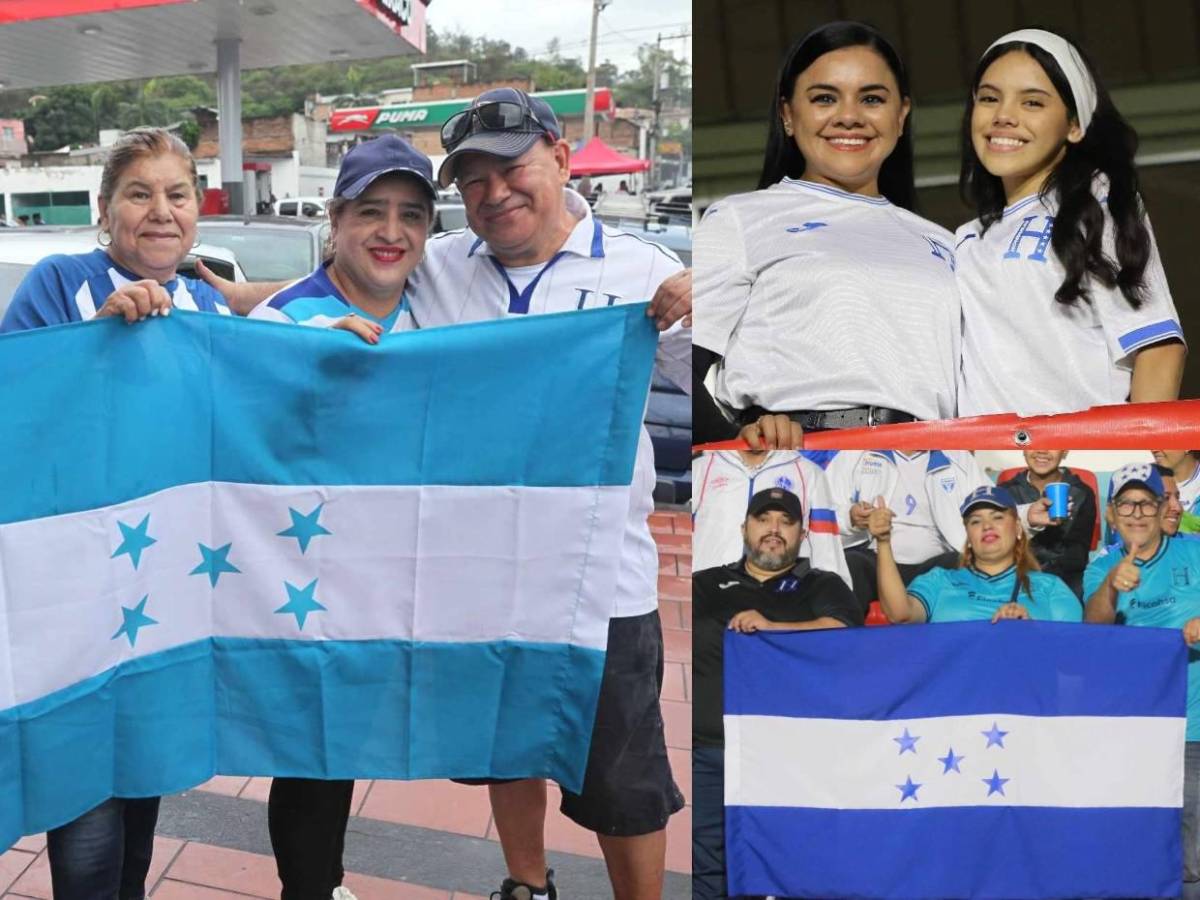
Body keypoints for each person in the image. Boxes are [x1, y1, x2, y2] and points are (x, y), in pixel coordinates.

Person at [198, 86, 692, 900]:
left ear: (562, 160)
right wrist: (218, 305)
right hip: (486, 575)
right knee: (504, 745)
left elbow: (727, 371)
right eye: (473, 183)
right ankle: (526, 885)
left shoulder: (647, 271)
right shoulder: (443, 266)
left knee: (623, 779)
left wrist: (708, 297)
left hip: (607, 577)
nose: (494, 194)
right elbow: (347, 275)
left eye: (512, 170)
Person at [0, 127, 230, 897]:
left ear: (198, 210)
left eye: (177, 194)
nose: (160, 211)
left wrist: (322, 345)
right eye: (139, 193)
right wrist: (93, 339)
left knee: (140, 801)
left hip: (163, 598)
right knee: (88, 825)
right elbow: (18, 403)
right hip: (75, 604)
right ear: (106, 211)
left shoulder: (206, 301)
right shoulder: (61, 280)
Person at [247, 133, 437, 900]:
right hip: (304, 580)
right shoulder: (281, 318)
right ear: (335, 219)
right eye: (371, 211)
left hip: (403, 576)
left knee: (354, 741)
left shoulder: (442, 312)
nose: (391, 232)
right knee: (314, 751)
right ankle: (310, 887)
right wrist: (294, 356)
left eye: (411, 216)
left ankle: (323, 879)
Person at [692, 20, 959, 443]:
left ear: (901, 115)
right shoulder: (740, 219)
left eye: (871, 98)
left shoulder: (948, 244)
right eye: (824, 99)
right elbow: (678, 369)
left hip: (927, 461)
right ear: (788, 115)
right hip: (794, 461)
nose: (849, 117)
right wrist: (738, 444)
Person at [955, 28, 1185, 416]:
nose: (1004, 116)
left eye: (1032, 103)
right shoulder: (965, 240)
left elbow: (1156, 347)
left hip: (1084, 467)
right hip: (982, 469)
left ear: (1074, 125)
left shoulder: (1094, 201)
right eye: (989, 98)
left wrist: (1146, 466)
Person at [692, 487, 860, 900]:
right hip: (713, 749)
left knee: (790, 867)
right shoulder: (706, 583)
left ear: (802, 535)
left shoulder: (823, 584)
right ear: (743, 529)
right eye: (763, 520)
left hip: (791, 753)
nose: (774, 529)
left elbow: (848, 635)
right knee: (706, 867)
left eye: (786, 522)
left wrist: (773, 627)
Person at [1083, 463, 1200, 898]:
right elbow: (1094, 627)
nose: (1136, 513)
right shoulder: (1101, 568)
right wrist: (1112, 587)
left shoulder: (1195, 553)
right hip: (1134, 726)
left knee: (1191, 849)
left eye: (1146, 502)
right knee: (1136, 839)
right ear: (1112, 514)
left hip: (1193, 725)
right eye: (1126, 504)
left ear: (1163, 506)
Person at [874, 484, 1082, 624]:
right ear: (968, 536)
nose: (987, 526)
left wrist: (1030, 630)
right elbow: (900, 614)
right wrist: (883, 541)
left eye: (997, 517)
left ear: (1018, 528)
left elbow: (1072, 655)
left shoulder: (1051, 587)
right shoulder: (939, 580)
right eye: (975, 521)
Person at [825, 450, 988, 610]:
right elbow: (820, 510)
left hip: (936, 562)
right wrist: (850, 518)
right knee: (850, 564)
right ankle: (842, 634)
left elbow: (992, 506)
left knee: (967, 565)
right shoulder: (857, 452)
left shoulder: (958, 457)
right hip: (874, 557)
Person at [691, 449, 852, 593]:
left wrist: (839, 597)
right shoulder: (702, 467)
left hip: (782, 602)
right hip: (710, 596)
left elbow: (827, 549)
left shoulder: (808, 472)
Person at [999, 450, 1097, 597]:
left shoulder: (1082, 492)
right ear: (1024, 450)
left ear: (1065, 451)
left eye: (1051, 444)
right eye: (1035, 443)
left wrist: (1041, 580)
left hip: (1064, 581)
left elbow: (1077, 555)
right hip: (1016, 576)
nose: (1042, 451)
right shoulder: (1005, 492)